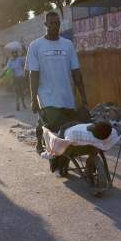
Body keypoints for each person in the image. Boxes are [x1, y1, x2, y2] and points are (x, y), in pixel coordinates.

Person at [27, 11, 88, 154]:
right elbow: (33, 75)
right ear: (45, 24)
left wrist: (83, 96)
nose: (55, 26)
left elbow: (76, 73)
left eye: (57, 23)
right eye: (51, 23)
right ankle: (45, 145)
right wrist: (33, 99)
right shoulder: (35, 46)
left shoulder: (68, 45)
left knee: (67, 130)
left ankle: (62, 156)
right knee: (56, 125)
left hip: (67, 97)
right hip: (47, 97)